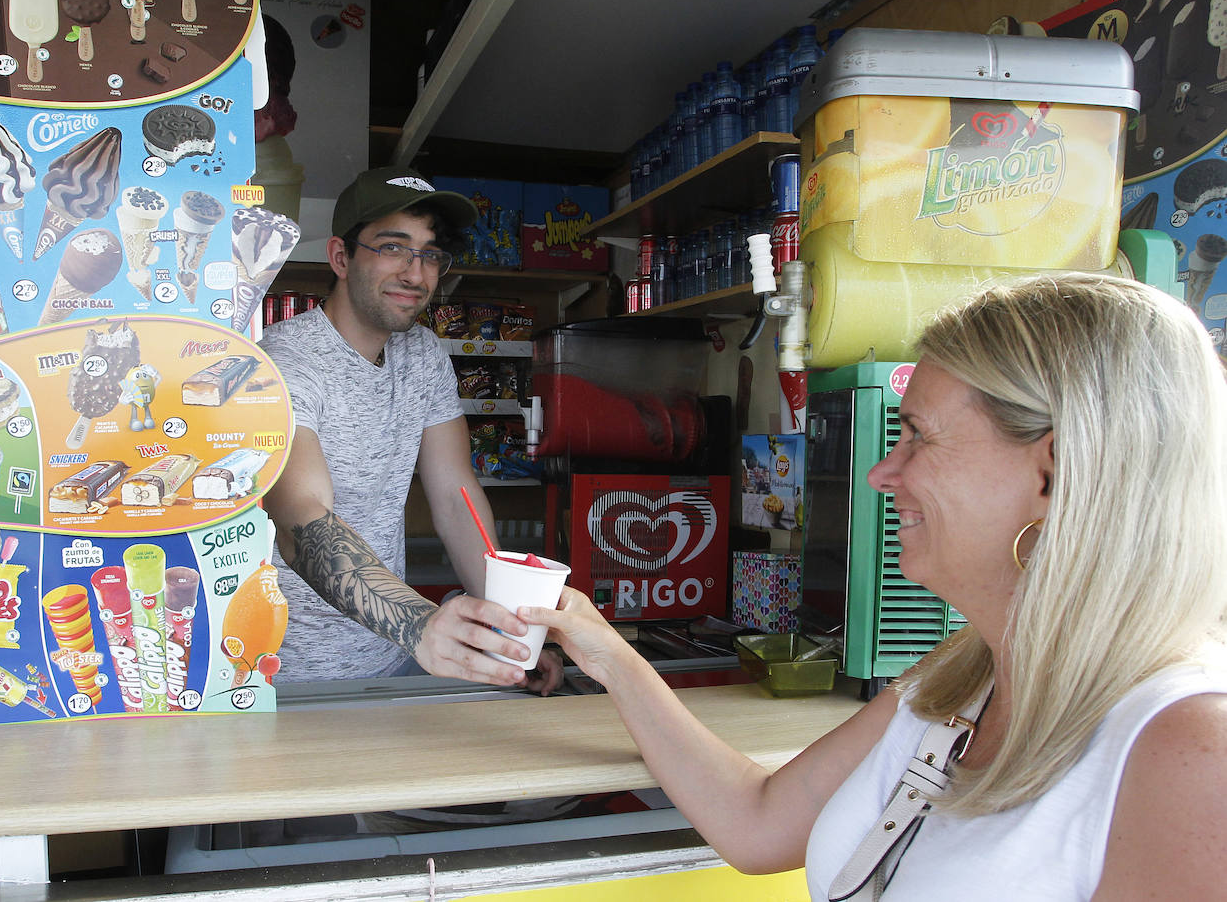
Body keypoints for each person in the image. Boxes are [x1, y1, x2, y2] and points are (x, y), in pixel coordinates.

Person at [521, 273, 1227, 899]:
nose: (882, 473)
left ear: (1053, 472)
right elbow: (758, 823)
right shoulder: (962, 677)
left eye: (917, 434)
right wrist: (601, 646)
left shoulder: (1190, 749)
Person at [260, 166, 562, 692]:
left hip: (391, 660)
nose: (415, 274)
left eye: (429, 254)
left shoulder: (421, 353)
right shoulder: (285, 361)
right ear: (340, 257)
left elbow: (454, 496)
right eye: (394, 248)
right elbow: (302, 519)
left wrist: (510, 629)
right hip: (289, 673)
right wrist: (419, 622)